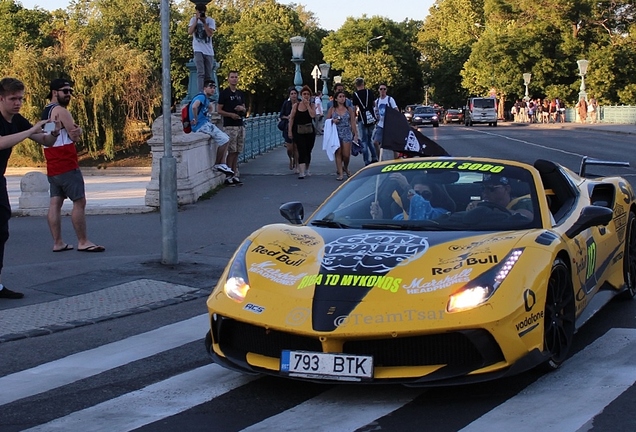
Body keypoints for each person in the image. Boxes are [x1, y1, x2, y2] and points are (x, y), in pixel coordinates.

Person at [0, 77, 60, 299]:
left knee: (2, 232)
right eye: (13, 99)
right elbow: (1, 142)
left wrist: (53, 134)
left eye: (21, 99)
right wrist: (30, 130)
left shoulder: (17, 120)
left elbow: (45, 141)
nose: (17, 103)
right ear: (1, 98)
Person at [41, 78, 106, 255]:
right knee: (79, 201)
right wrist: (79, 131)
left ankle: (58, 242)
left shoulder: (45, 110)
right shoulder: (61, 111)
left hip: (52, 162)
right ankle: (83, 241)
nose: (69, 94)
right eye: (65, 91)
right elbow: (74, 134)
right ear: (55, 92)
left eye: (70, 91)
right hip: (66, 162)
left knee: (55, 202)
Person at [189, 79, 233, 182]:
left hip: (204, 124)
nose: (213, 89)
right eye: (210, 87)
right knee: (225, 139)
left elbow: (207, 108)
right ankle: (219, 164)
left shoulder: (205, 99)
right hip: (202, 125)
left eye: (214, 88)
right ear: (204, 88)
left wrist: (209, 108)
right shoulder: (201, 97)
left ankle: (222, 163)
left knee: (226, 139)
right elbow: (195, 106)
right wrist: (195, 118)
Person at [370, 173, 451, 220]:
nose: (420, 197)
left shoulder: (442, 214)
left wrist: (407, 187)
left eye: (426, 194)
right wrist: (379, 219)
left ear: (435, 195)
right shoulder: (400, 217)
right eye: (417, 193)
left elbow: (421, 210)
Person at [217, 70, 247, 185]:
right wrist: (230, 115)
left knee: (237, 151)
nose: (234, 79)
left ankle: (235, 173)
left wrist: (241, 109)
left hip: (240, 125)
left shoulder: (240, 94)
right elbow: (219, 110)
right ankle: (228, 174)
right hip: (230, 125)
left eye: (236, 77)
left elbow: (244, 108)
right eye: (232, 77)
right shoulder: (224, 93)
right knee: (231, 150)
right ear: (228, 79)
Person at [466, 174, 533, 218]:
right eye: (483, 188)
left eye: (491, 188)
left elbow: (526, 217)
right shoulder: (479, 205)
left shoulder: (523, 203)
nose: (485, 192)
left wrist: (491, 210)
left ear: (507, 189)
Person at [326, 90, 357, 181]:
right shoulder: (332, 109)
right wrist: (333, 120)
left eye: (343, 96)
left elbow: (352, 122)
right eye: (340, 96)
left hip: (346, 131)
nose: (342, 98)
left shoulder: (349, 109)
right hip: (336, 132)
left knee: (346, 154)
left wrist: (355, 134)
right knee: (338, 152)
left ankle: (345, 167)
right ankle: (340, 173)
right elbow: (327, 120)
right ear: (336, 98)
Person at [287, 85, 316, 179]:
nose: (306, 96)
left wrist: (308, 105)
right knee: (301, 150)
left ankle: (307, 169)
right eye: (304, 94)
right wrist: (290, 131)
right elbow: (291, 118)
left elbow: (312, 116)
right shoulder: (296, 106)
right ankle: (301, 172)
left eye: (308, 94)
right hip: (298, 131)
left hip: (309, 131)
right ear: (301, 95)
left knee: (308, 150)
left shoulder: (312, 105)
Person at [188, 3, 216, 93]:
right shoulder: (193, 20)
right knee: (200, 72)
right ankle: (200, 92)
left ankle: (208, 91)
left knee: (208, 73)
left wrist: (204, 22)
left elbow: (210, 34)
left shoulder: (210, 20)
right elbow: (190, 32)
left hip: (208, 51)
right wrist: (196, 20)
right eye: (198, 12)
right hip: (198, 49)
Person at [352, 77, 378, 165]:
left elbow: (355, 107)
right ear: (363, 84)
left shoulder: (355, 94)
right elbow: (374, 104)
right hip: (371, 118)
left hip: (362, 119)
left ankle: (366, 160)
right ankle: (374, 157)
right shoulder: (369, 92)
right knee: (369, 139)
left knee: (364, 140)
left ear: (356, 85)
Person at [372, 83, 399, 158]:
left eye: (384, 89)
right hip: (380, 124)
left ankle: (396, 159)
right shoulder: (377, 101)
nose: (382, 91)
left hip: (390, 125)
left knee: (393, 144)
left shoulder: (390, 99)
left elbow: (396, 110)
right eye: (381, 89)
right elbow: (375, 112)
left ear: (386, 90)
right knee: (375, 142)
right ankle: (379, 159)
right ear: (378, 90)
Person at [279, 87, 299, 172]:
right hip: (288, 127)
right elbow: (281, 115)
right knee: (289, 148)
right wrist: (288, 117)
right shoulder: (286, 104)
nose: (294, 95)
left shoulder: (300, 103)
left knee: (296, 147)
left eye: (295, 94)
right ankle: (291, 158)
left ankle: (297, 164)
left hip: (298, 127)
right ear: (289, 95)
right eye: (292, 94)